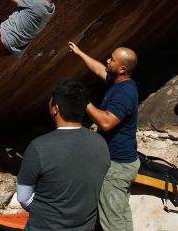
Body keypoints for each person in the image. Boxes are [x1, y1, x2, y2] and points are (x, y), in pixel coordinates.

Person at [16, 79, 110, 231]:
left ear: (55, 109)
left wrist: (47, 210)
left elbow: (23, 197)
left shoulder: (38, 147)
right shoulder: (101, 143)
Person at [69, 42, 139, 231]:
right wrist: (80, 53)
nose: (107, 61)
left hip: (118, 166)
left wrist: (84, 102)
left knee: (111, 219)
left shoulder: (125, 93)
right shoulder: (118, 81)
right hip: (123, 161)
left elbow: (107, 122)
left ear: (122, 68)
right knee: (120, 212)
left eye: (112, 59)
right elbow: (100, 69)